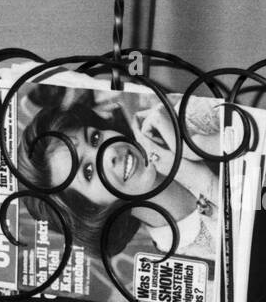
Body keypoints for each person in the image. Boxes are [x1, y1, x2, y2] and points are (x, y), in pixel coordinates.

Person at [14, 84, 225, 265]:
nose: (109, 153)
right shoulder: (177, 268)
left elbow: (255, 124)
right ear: (91, 209)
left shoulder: (175, 119)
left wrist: (196, 147)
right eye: (87, 171)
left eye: (95, 138)